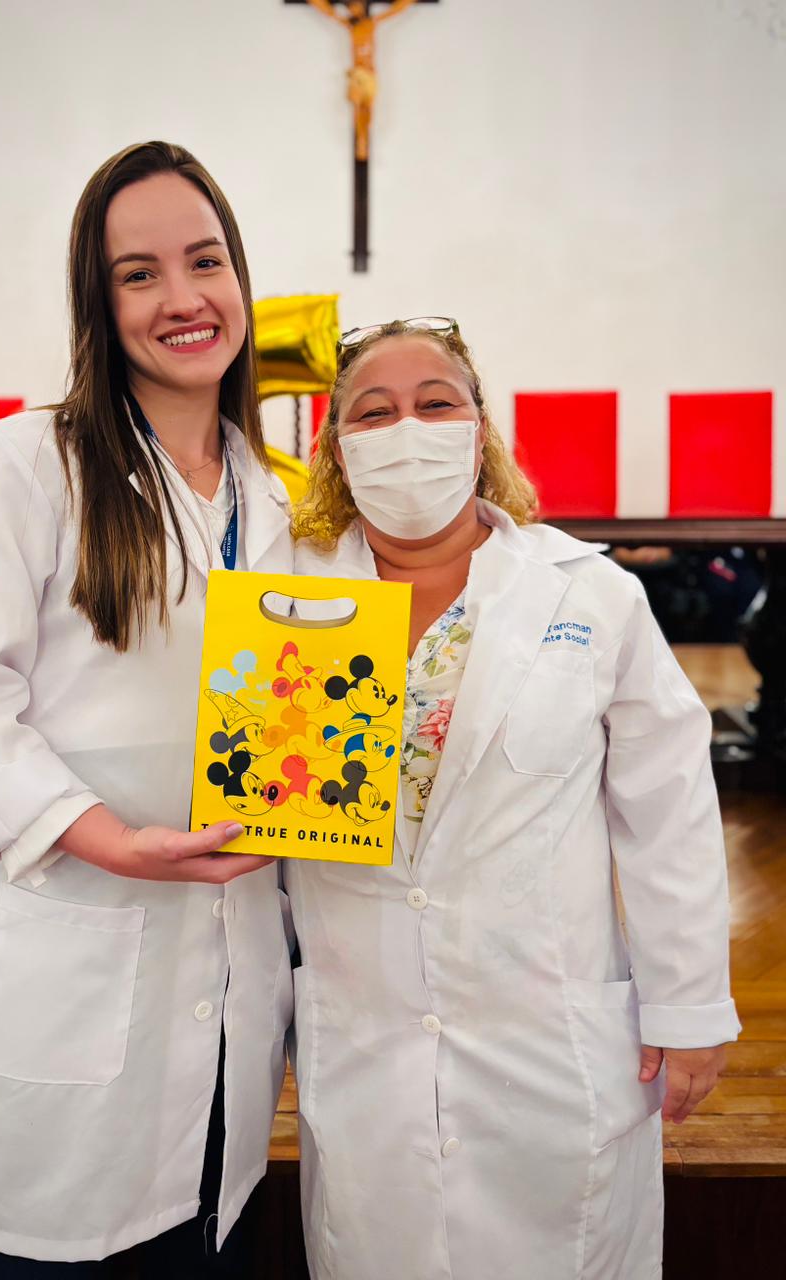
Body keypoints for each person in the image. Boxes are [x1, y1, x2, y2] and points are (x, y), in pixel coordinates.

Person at [0, 142, 294, 1276]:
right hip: (72, 962)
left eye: (205, 261)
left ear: (241, 278)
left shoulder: (280, 496)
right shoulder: (18, 464)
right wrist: (110, 840)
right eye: (139, 273)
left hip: (231, 986)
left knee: (204, 1238)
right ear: (98, 298)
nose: (183, 298)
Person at [284, 317, 740, 1280]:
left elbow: (668, 815)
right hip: (368, 1046)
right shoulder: (281, 600)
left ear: (481, 430)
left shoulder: (587, 594)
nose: (408, 429)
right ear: (335, 448)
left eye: (435, 403)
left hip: (548, 1047)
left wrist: (690, 1006)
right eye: (374, 412)